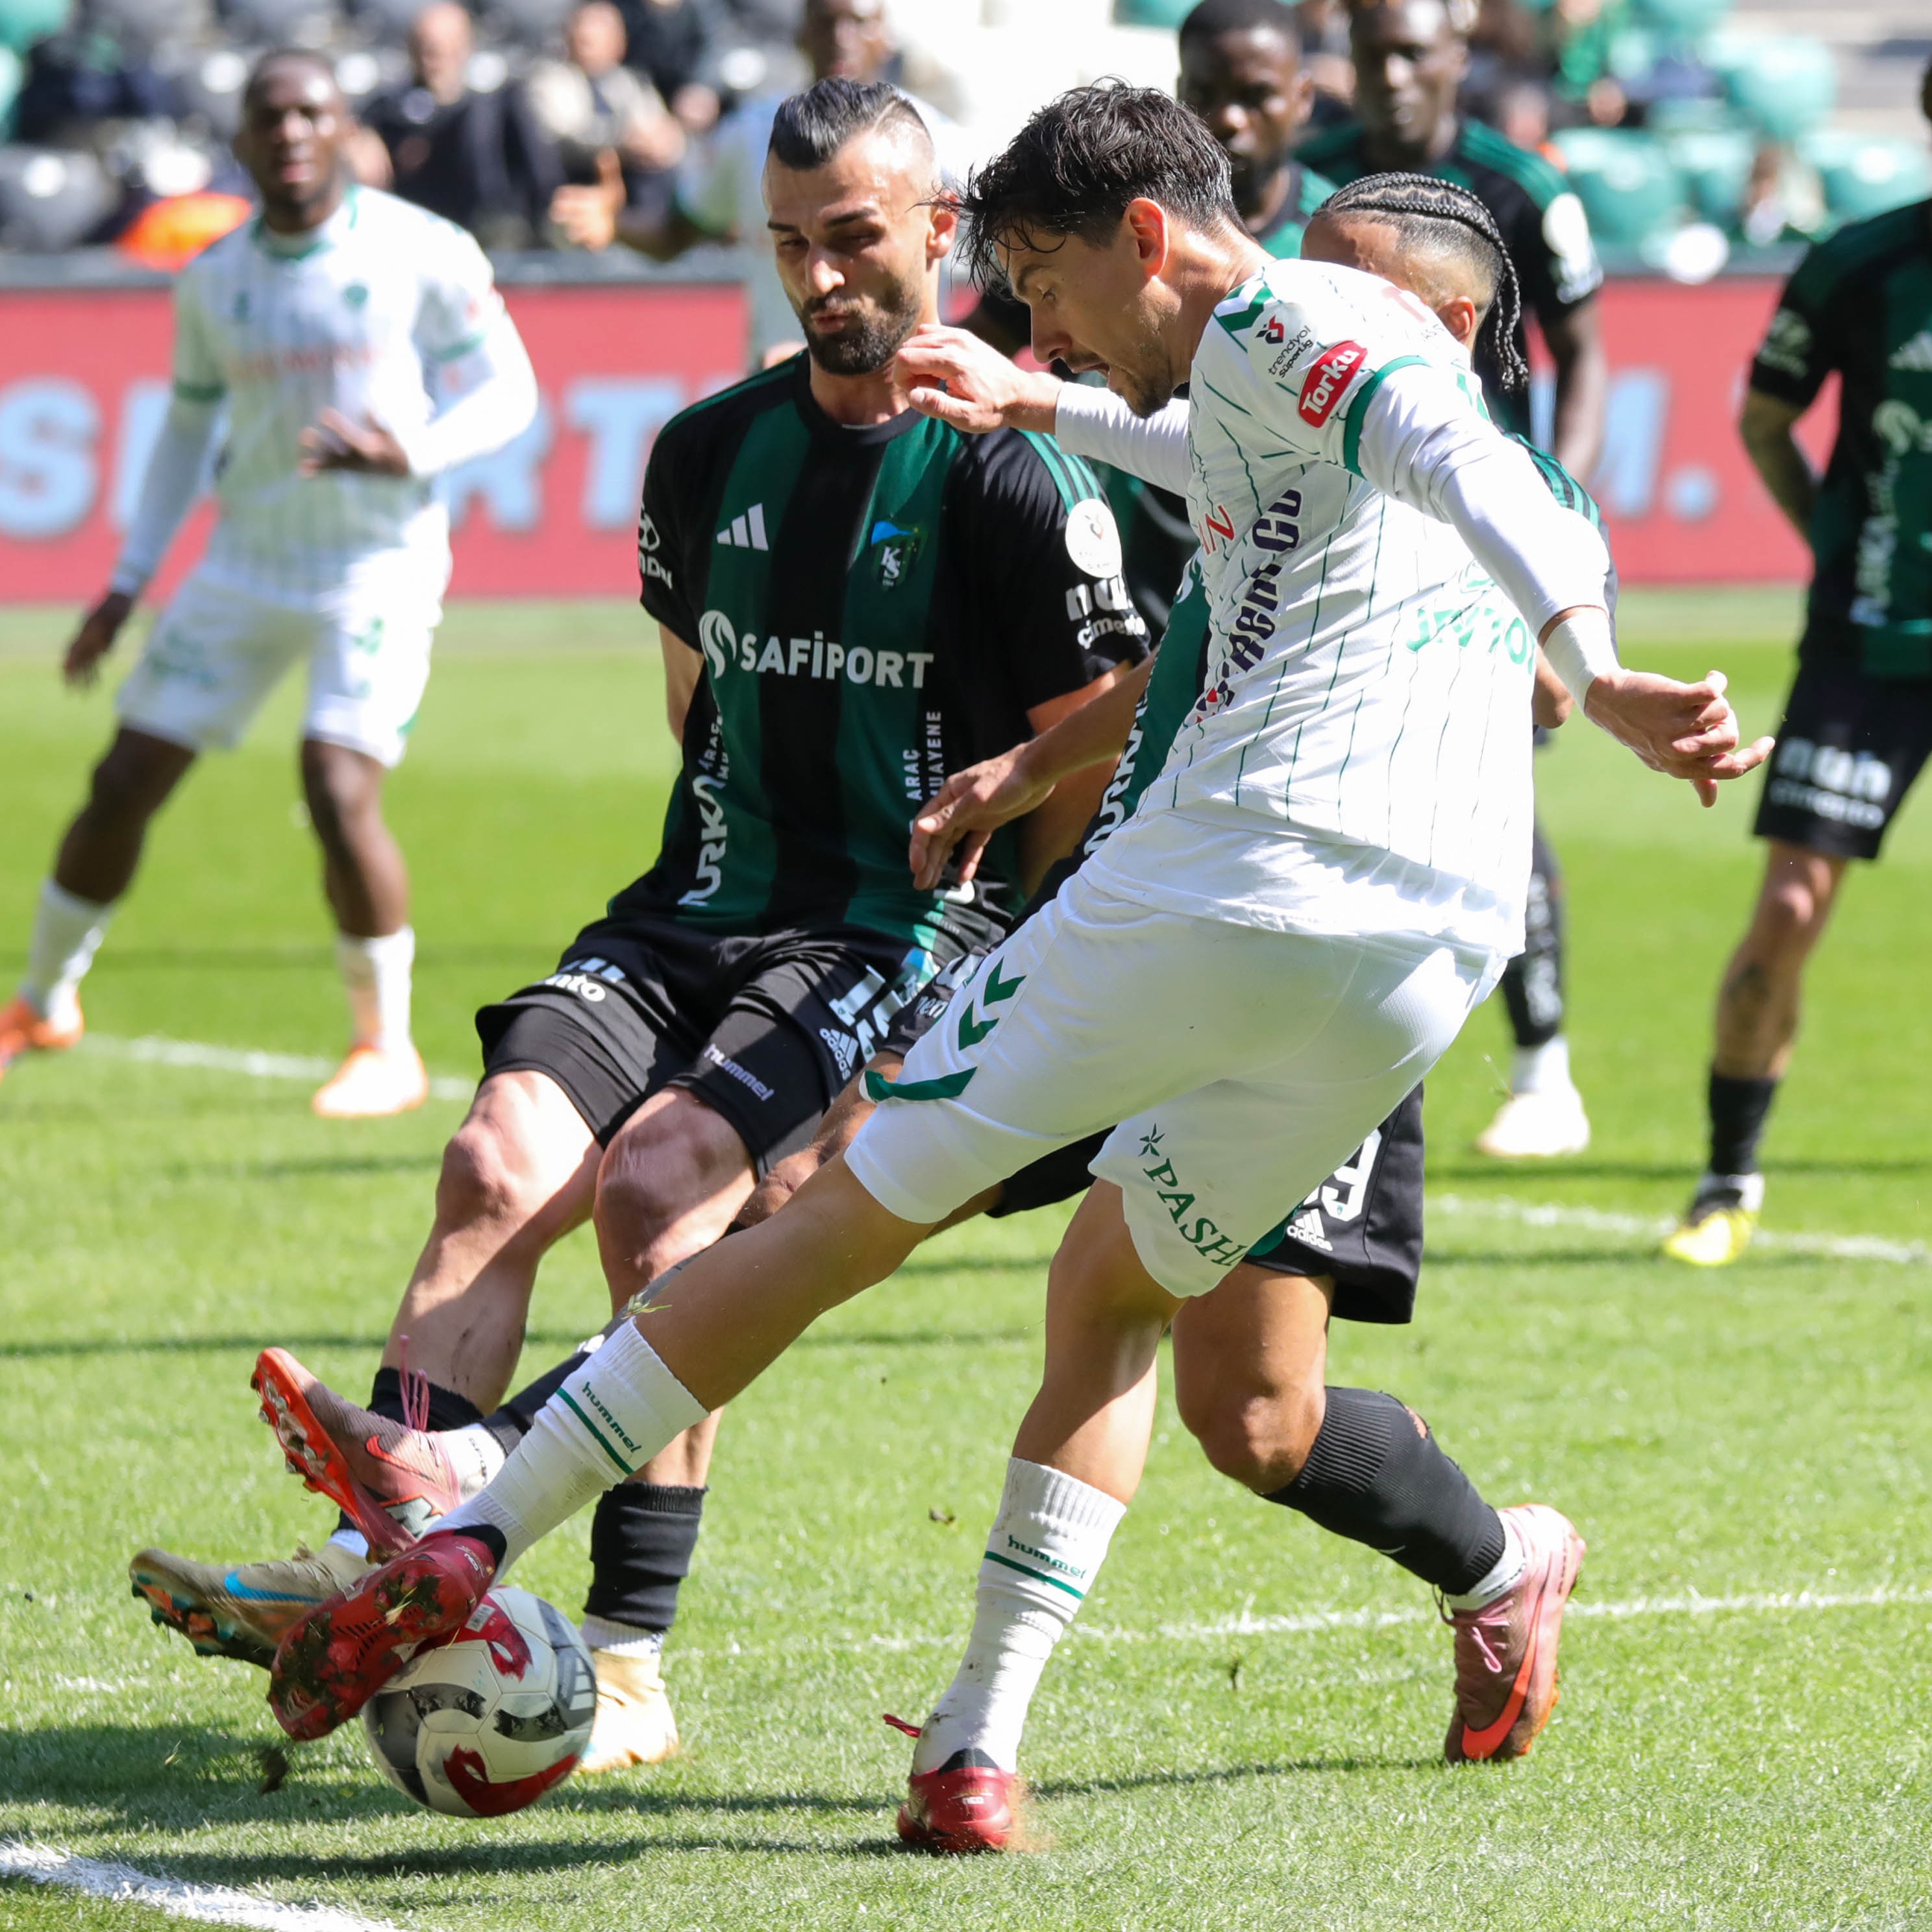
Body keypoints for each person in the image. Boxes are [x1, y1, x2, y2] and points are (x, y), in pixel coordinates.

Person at [253, 84, 1765, 1806]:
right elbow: (1251, 480)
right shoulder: (1276, 407)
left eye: (1040, 284)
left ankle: (473, 1520)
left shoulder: (1311, 331)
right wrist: (1040, 405)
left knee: (844, 1206)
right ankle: (987, 1740)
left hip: (1226, 890)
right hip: (1411, 955)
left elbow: (1466, 462)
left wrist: (1599, 665)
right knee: (1162, 1335)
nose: (1032, 319)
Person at [129, 77, 1146, 1775]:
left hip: (889, 933)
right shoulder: (703, 450)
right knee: (491, 1165)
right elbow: (697, 708)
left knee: (660, 1194)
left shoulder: (1014, 478)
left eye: (857, 239)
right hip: (694, 903)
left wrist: (983, 962)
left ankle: (623, 1662)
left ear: (939, 230)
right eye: (792, 244)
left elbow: (1089, 747)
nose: (822, 276)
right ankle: (385, 1566)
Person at [0, 52, 538, 1116]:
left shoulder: (422, 249)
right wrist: (127, 584)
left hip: (375, 564)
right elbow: (185, 432)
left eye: (310, 113)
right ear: (242, 140)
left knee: (336, 785)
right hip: (245, 561)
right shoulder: (214, 279)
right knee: (123, 780)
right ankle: (42, 1002)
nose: (290, 132)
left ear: (342, 130)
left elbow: (510, 389)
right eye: (270, 116)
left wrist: (414, 451)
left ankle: (383, 1047)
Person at [1300, 0, 1611, 1160]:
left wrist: (1549, 521)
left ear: (1456, 57)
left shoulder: (1520, 186)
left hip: (1482, 544)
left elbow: (1585, 355)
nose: (1389, 74)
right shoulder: (1314, 181)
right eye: (1371, 53)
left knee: (1490, 786)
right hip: (1344, 537)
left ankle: (1542, 1070)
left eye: (1411, 53)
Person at [1662, 59, 1932, 1269]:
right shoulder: (1857, 267)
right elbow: (1766, 419)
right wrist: (1834, 540)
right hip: (1867, 645)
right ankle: (1726, 1181)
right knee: (1787, 911)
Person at [552, 0, 973, 370]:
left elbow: (1001, 260)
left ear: (886, 38)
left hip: (904, 394)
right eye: (826, 22)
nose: (841, 38)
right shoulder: (751, 132)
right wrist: (618, 224)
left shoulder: (937, 142)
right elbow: (680, 231)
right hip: (779, 389)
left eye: (858, 23)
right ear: (801, 35)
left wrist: (966, 349)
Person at [1104, 0, 1338, 641]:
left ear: (1303, 98)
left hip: (1278, 600)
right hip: (1124, 575)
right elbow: (1004, 330)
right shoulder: (1121, 223)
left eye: (1256, 96)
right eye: (1206, 95)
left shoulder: (1337, 244)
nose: (1230, 119)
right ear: (1180, 93)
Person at [361, 2, 564, 249]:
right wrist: (359, 136)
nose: (432, 59)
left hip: (486, 231)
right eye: (424, 47)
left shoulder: (496, 108)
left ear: (466, 48)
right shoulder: (386, 111)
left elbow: (539, 171)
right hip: (413, 232)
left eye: (443, 49)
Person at [525, 1, 687, 186]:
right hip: (573, 178)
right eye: (585, 40)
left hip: (631, 177)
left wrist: (662, 141)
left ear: (620, 43)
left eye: (600, 39)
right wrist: (620, 143)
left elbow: (658, 125)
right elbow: (564, 138)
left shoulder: (629, 82)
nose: (590, 47)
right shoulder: (550, 81)